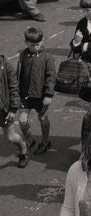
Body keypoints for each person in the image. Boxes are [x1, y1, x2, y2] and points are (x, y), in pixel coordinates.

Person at [14, 25, 56, 157]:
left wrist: (48, 94)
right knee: (22, 120)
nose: (35, 47)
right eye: (32, 45)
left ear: (42, 41)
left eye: (38, 44)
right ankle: (30, 140)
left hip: (41, 95)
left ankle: (45, 142)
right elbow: (18, 74)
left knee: (42, 118)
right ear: (26, 42)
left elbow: (51, 76)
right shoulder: (22, 55)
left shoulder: (47, 57)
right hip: (25, 95)